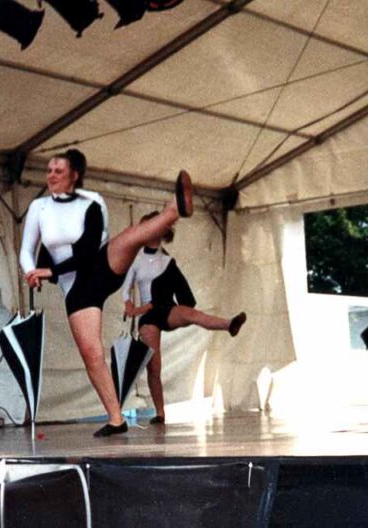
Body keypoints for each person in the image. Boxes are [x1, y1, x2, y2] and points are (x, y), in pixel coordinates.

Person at [19, 149, 194, 437]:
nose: (51, 175)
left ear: (74, 175)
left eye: (58, 170)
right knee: (93, 355)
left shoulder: (92, 203)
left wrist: (50, 271)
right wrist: (30, 271)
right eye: (48, 170)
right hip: (76, 289)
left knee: (131, 236)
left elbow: (91, 249)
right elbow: (27, 249)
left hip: (97, 268)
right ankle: (116, 419)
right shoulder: (39, 207)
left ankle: (174, 208)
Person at [122, 211, 247, 424]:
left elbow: (185, 294)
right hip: (148, 315)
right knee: (154, 365)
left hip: (167, 308)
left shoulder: (168, 261)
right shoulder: (136, 259)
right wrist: (130, 307)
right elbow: (126, 290)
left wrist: (179, 305)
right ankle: (160, 413)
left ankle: (229, 324)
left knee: (192, 314)